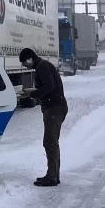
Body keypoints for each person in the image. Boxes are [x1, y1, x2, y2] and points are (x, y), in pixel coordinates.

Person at [20, 48, 66, 187]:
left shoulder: (42, 67)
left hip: (54, 108)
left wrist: (32, 94)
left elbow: (49, 87)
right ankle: (54, 175)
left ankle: (52, 177)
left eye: (24, 62)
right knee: (51, 142)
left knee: (50, 142)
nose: (24, 65)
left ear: (29, 58)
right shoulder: (42, 66)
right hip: (54, 107)